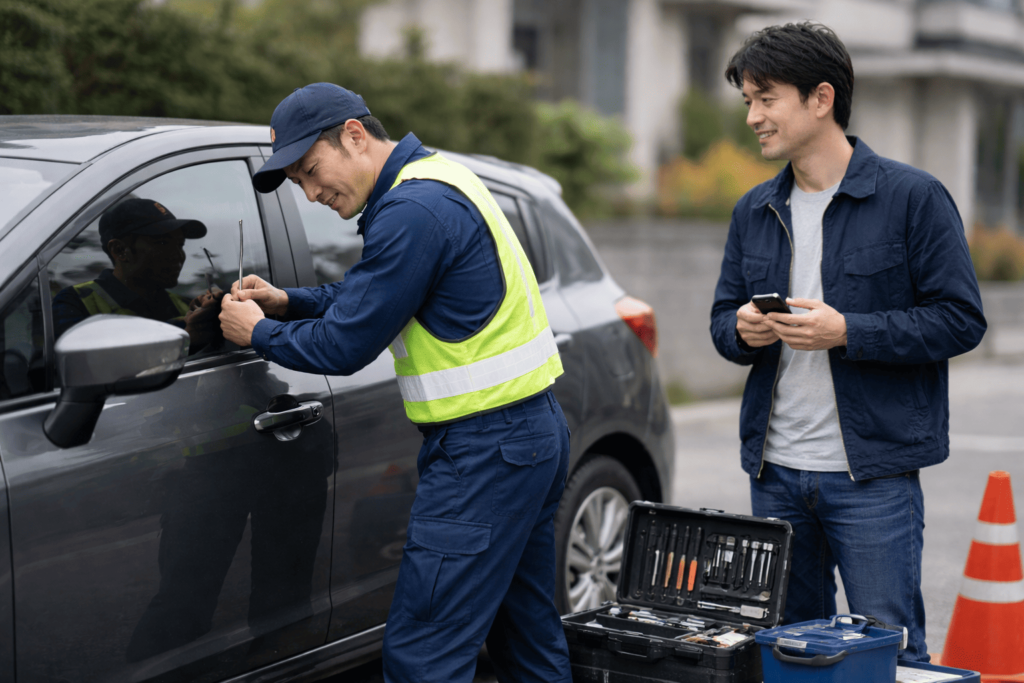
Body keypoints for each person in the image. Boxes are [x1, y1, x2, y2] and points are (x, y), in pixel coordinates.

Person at [217, 83, 571, 683]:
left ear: (354, 135)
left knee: (424, 657)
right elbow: (378, 293)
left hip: (483, 456)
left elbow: (346, 343)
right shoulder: (435, 181)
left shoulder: (412, 211)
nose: (310, 193)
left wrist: (256, 334)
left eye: (311, 170)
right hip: (527, 439)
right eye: (299, 181)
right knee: (526, 636)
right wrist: (287, 302)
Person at [709, 23, 986, 661]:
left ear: (821, 98)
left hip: (873, 478)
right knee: (792, 654)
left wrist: (848, 331)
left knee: (888, 653)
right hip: (774, 473)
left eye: (766, 97)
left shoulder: (912, 197)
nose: (752, 116)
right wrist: (743, 330)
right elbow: (723, 323)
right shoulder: (755, 209)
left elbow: (960, 319)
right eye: (748, 100)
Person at [52, 197, 222, 352]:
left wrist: (220, 310)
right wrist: (184, 335)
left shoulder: (185, 306)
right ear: (119, 250)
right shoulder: (74, 303)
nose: (178, 255)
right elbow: (83, 367)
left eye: (180, 245)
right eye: (162, 243)